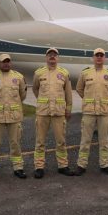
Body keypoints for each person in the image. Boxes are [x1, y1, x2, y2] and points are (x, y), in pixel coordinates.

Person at [32, 48, 75, 178]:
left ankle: (63, 166)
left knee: (61, 141)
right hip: (43, 112)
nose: (52, 57)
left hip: (59, 112)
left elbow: (68, 93)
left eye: (54, 55)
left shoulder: (64, 73)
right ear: (46, 57)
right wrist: (42, 101)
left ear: (58, 58)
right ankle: (39, 167)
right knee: (40, 142)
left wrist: (68, 109)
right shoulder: (39, 73)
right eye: (50, 55)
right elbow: (35, 89)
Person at [75, 48, 108, 176]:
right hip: (89, 112)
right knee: (85, 141)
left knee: (104, 141)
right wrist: (89, 100)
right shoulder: (85, 73)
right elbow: (79, 88)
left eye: (101, 55)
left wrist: (105, 100)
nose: (99, 57)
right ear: (93, 58)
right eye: (97, 55)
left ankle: (105, 164)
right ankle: (81, 165)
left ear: (104, 58)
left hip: (104, 112)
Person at [0, 53, 27, 180]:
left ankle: (18, 167)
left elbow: (22, 95)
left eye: (8, 61)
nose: (6, 63)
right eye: (3, 61)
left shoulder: (19, 77)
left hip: (14, 116)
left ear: (11, 62)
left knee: (15, 143)